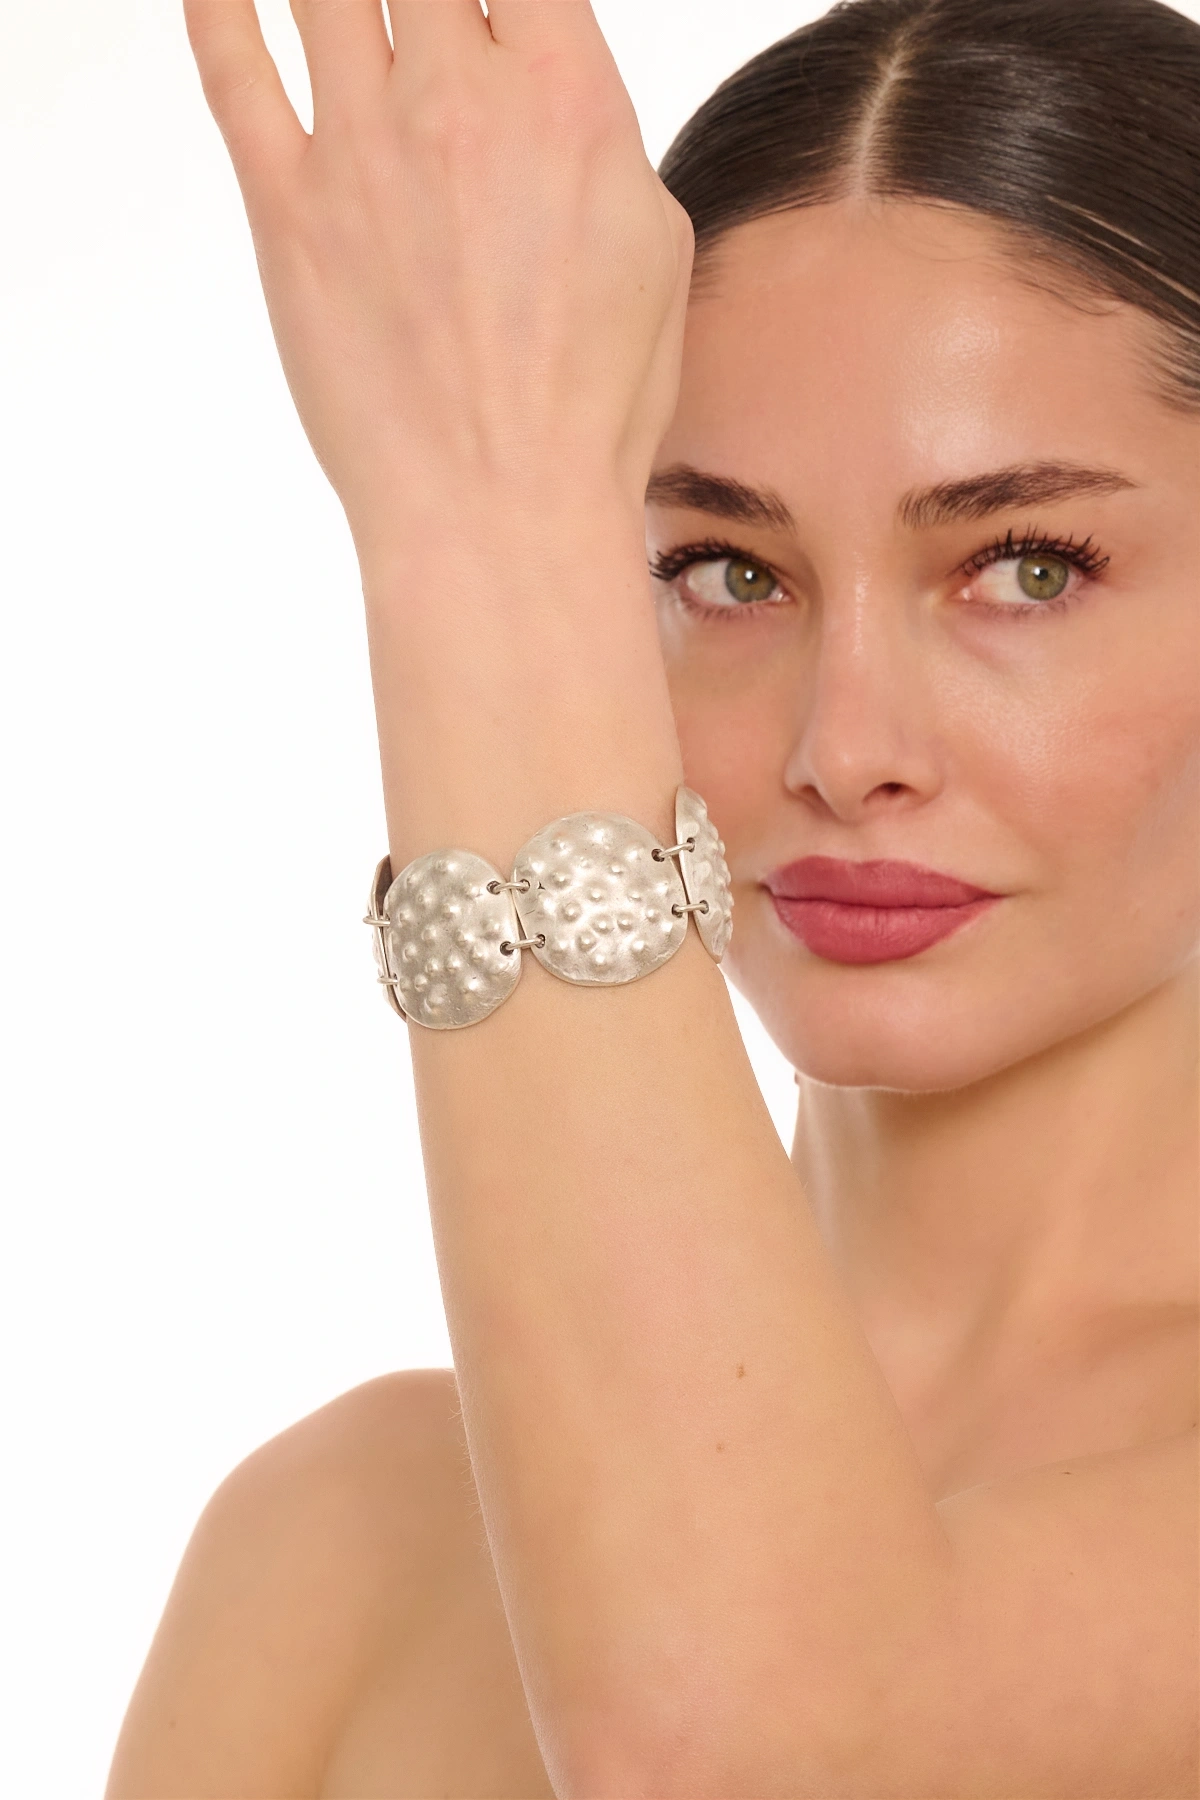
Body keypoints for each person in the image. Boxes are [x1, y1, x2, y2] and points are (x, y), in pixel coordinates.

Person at [106, 0, 1199, 1794]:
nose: (848, 750)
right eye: (724, 570)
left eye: (1025, 567)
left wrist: (476, 520)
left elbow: (762, 1739)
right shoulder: (338, 1556)